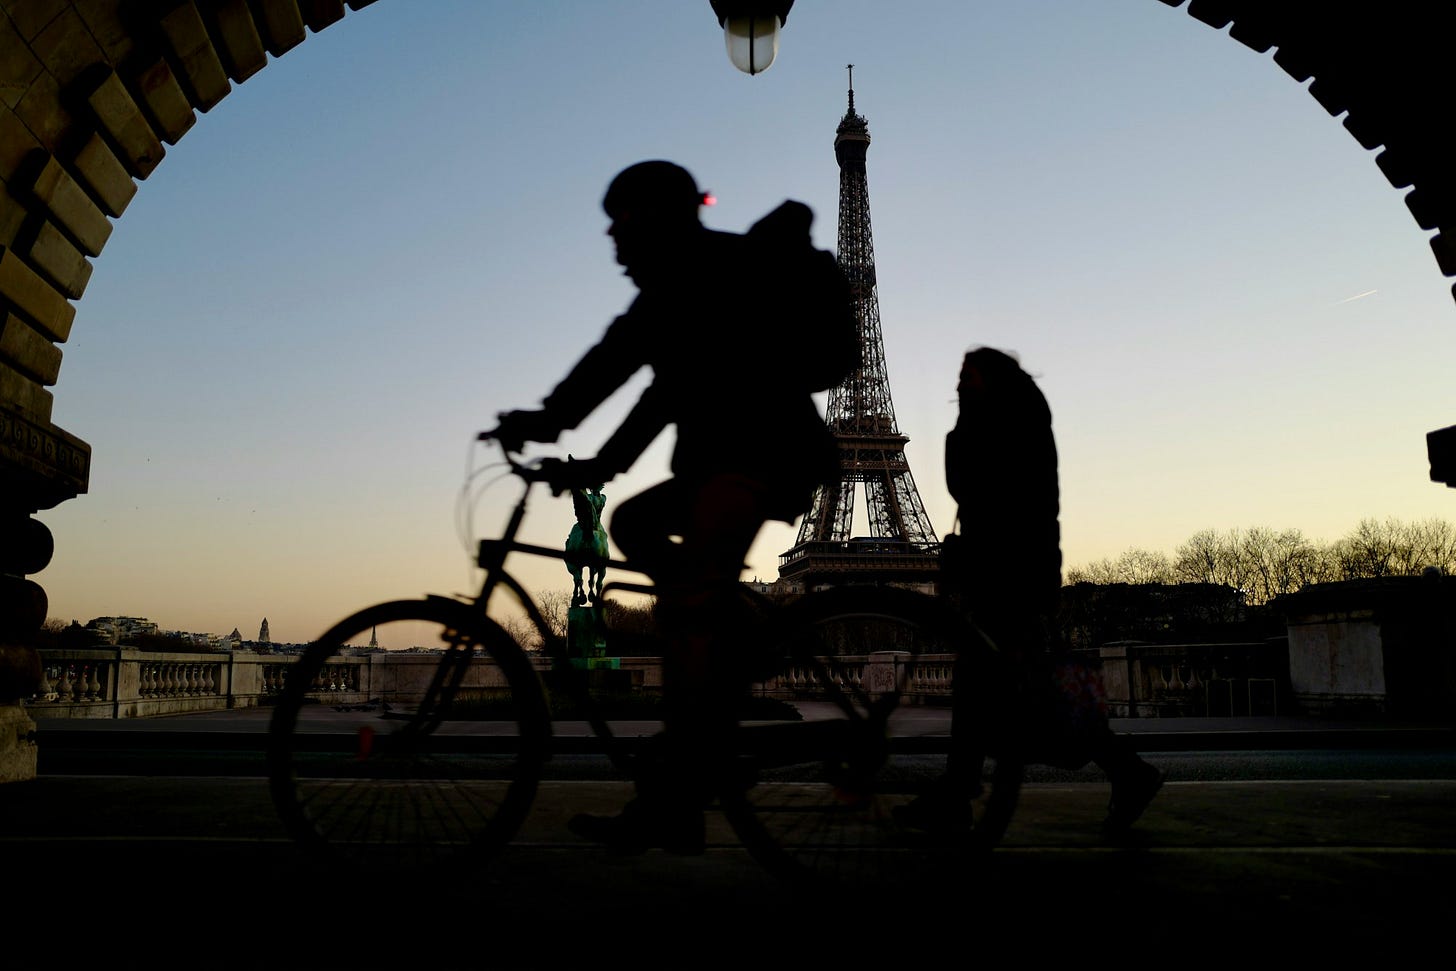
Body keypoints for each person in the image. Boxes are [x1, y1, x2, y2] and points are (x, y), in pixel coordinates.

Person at [488, 160, 857, 853]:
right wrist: (589, 455)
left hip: (763, 455)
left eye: (621, 223)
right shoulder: (679, 284)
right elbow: (650, 385)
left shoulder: (703, 274)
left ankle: (679, 787)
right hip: (731, 458)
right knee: (631, 523)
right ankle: (727, 633)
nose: (613, 239)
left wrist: (548, 424)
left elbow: (623, 374)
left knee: (687, 604)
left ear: (655, 220)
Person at [902, 346, 1163, 835]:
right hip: (1009, 568)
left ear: (995, 380)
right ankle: (1127, 771)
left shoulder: (1009, 424)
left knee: (1004, 685)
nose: (959, 383)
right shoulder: (1005, 421)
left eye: (969, 375)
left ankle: (960, 791)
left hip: (1014, 573)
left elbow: (988, 494)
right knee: (1008, 686)